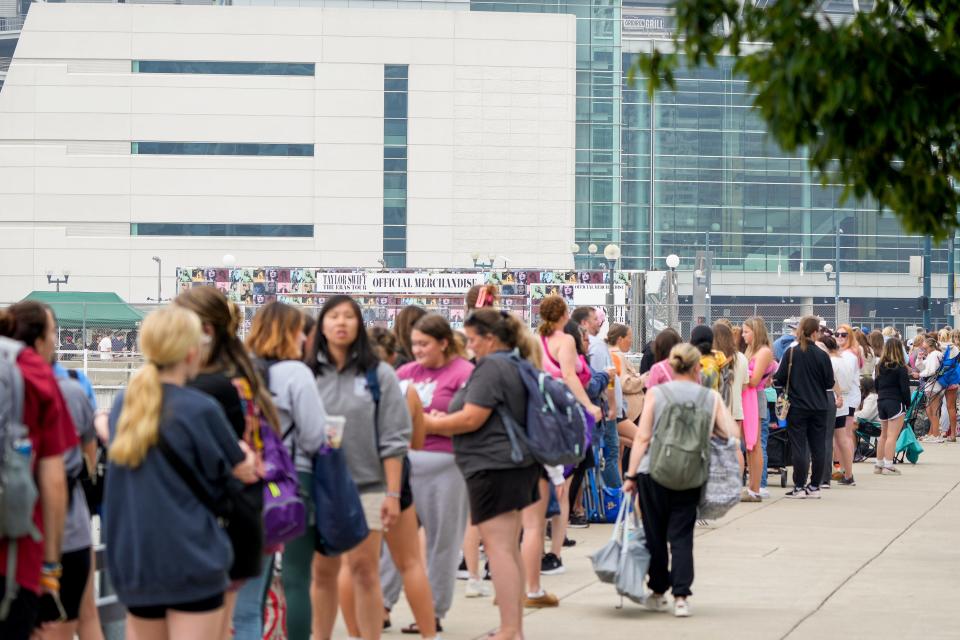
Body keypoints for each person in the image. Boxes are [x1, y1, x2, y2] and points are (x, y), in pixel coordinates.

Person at [104, 305, 259, 640]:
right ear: (192, 352)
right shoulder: (201, 408)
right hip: (192, 557)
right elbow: (240, 470)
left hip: (136, 561)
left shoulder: (124, 405)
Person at [425, 308, 542, 640]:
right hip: (516, 465)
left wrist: (430, 423)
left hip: (492, 466)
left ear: (490, 339)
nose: (470, 345)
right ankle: (513, 626)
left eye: (473, 339)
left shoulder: (491, 367)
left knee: (499, 549)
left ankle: (508, 628)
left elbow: (470, 419)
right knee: (508, 547)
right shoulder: (517, 362)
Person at [307, 295, 413, 640]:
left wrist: (393, 494)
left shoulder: (377, 374)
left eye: (349, 317)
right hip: (318, 487)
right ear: (322, 324)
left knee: (365, 570)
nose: (341, 323)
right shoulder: (306, 372)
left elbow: (394, 439)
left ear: (359, 325)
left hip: (368, 486)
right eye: (333, 316)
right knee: (322, 571)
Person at [174, 287, 277, 640]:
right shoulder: (246, 376)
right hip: (250, 510)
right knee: (243, 616)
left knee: (213, 621)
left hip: (215, 519)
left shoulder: (207, 387)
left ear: (204, 331)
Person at [622, 343, 736, 618]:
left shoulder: (658, 393)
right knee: (682, 535)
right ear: (698, 367)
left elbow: (643, 436)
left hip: (654, 470)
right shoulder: (709, 397)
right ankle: (682, 596)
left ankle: (659, 591)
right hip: (691, 472)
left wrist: (631, 474)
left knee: (655, 534)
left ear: (672, 366)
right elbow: (732, 434)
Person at [381, 313, 473, 633]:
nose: (418, 350)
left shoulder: (464, 373)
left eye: (425, 344)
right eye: (415, 343)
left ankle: (432, 610)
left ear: (443, 343)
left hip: (447, 464)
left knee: (441, 542)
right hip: (408, 463)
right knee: (393, 539)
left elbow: (470, 419)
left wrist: (429, 423)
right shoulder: (406, 372)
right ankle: (382, 603)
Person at [245, 303, 328, 640]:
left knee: (254, 584)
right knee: (296, 575)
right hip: (292, 481)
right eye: (300, 331)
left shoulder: (243, 371)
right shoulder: (296, 373)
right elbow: (314, 435)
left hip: (250, 478)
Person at [0, 302, 78, 640]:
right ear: (42, 339)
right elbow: (54, 480)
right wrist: (50, 569)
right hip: (14, 562)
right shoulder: (31, 372)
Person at [538, 298, 602, 583]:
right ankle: (554, 553)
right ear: (564, 315)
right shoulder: (564, 340)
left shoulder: (535, 339)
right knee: (561, 483)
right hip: (562, 412)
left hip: (539, 412)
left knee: (542, 482)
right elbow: (568, 375)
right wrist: (589, 405)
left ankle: (537, 547)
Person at [774, 316, 836, 499]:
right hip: (819, 406)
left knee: (799, 446)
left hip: (797, 406)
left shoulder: (791, 352)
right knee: (819, 446)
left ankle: (799, 485)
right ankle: (815, 485)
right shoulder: (822, 355)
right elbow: (829, 382)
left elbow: (779, 378)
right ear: (816, 332)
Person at [572, 306, 620, 488]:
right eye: (594, 319)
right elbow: (606, 378)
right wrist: (613, 406)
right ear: (584, 323)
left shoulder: (583, 346)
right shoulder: (596, 345)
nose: (598, 322)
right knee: (609, 454)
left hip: (590, 410)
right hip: (599, 410)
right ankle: (613, 500)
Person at [740, 318, 775, 501]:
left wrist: (739, 375)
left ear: (756, 332)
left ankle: (757, 485)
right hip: (746, 397)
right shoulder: (750, 350)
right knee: (748, 445)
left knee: (756, 444)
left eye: (746, 332)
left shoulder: (763, 352)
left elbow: (754, 381)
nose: (743, 335)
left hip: (755, 397)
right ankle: (752, 485)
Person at [874, 338, 911, 476]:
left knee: (883, 435)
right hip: (895, 402)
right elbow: (905, 389)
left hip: (881, 401)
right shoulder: (900, 368)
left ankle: (879, 464)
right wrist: (908, 404)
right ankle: (889, 465)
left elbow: (876, 385)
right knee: (892, 436)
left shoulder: (879, 366)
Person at [824, 336, 856, 486]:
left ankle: (830, 470)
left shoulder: (830, 361)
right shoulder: (845, 360)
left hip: (831, 398)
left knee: (827, 439)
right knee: (842, 439)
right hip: (844, 399)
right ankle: (848, 473)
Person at [834, 324, 863, 485]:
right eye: (837, 334)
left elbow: (843, 377)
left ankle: (847, 470)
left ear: (850, 336)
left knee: (844, 435)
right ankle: (844, 468)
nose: (839, 337)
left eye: (843, 335)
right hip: (846, 396)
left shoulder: (850, 355)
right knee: (843, 435)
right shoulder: (846, 353)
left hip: (848, 397)